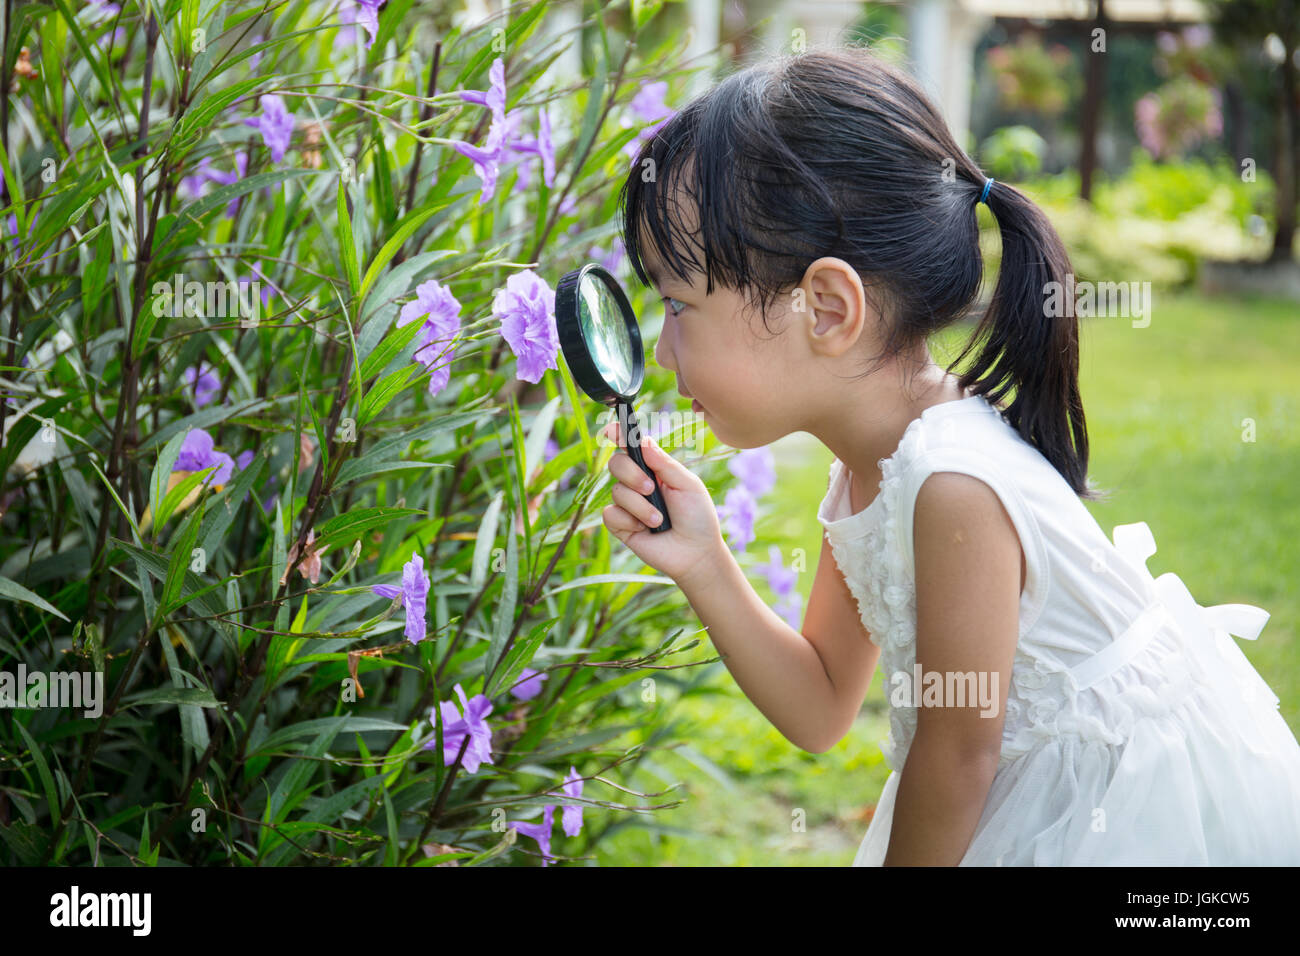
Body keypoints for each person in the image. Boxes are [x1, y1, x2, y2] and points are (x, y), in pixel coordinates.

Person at [598, 45, 1300, 865]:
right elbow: (825, 703)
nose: (662, 349)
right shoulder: (873, 467)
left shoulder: (952, 480)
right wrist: (705, 562)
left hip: (1134, 817)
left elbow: (958, 760)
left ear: (827, 307)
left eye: (680, 305)